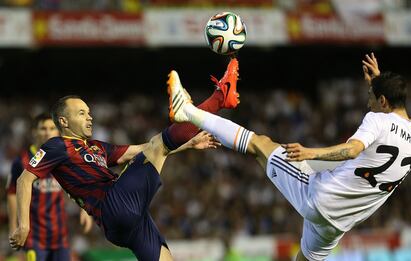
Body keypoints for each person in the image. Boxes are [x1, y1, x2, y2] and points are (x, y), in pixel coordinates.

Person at [167, 53, 411, 261]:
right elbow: (387, 130)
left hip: (321, 197)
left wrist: (309, 153)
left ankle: (187, 111)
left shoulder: (378, 119)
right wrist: (379, 83)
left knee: (259, 144)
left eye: (371, 98)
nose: (368, 104)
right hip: (340, 223)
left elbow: (353, 150)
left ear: (383, 101)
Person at [9, 58, 240, 261]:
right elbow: (23, 180)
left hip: (128, 222)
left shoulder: (97, 147)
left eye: (89, 112)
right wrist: (23, 225)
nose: (89, 117)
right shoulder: (57, 145)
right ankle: (219, 98)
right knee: (159, 144)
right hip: (113, 206)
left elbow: (143, 150)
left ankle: (204, 106)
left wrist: (187, 144)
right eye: (81, 113)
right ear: (64, 121)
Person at [6, 113, 93, 261]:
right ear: (34, 132)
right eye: (43, 128)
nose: (47, 132)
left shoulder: (64, 159)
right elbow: (12, 194)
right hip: (34, 238)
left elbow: (79, 184)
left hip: (60, 237)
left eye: (52, 128)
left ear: (57, 131)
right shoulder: (21, 162)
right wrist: (14, 227)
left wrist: (85, 210)